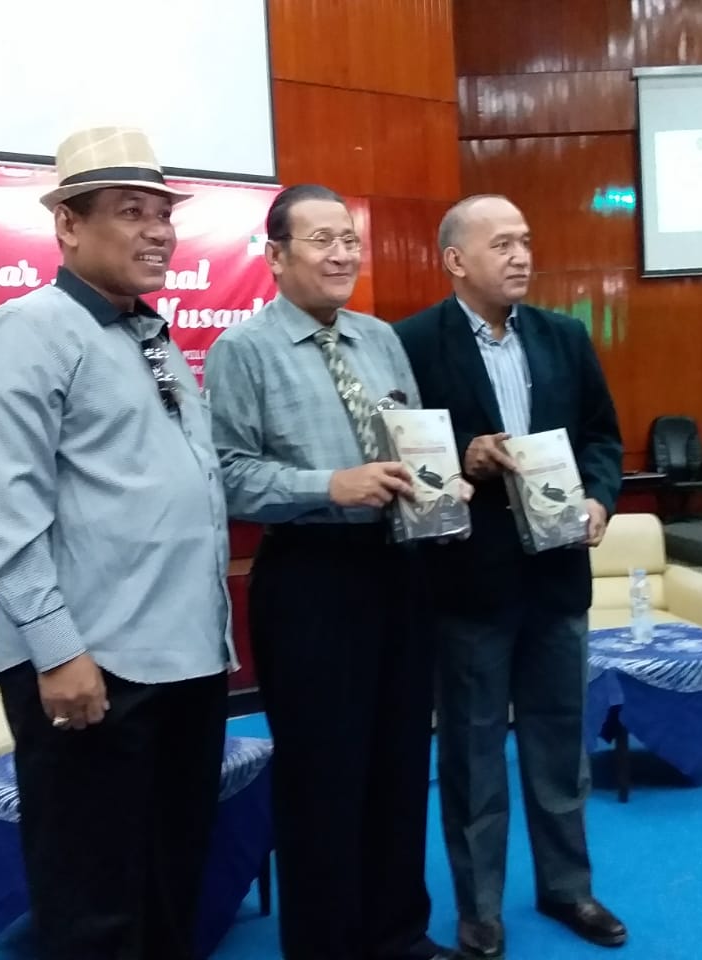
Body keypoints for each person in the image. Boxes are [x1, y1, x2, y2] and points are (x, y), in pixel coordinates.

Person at [0, 126, 233, 960]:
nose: (158, 231)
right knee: (92, 897)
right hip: (91, 665)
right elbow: (9, 517)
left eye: (163, 214)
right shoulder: (27, 329)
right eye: (129, 212)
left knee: (172, 872)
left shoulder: (149, 334)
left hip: (184, 656)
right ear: (68, 227)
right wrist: (55, 652)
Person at [205, 184, 456, 960]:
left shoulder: (381, 339)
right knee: (324, 776)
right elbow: (224, 474)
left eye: (349, 237)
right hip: (311, 580)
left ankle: (396, 932)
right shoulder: (240, 351)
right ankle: (326, 944)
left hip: (399, 571)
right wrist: (328, 485)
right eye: (321, 239)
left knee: (399, 761)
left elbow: (412, 439)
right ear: (276, 256)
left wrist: (443, 483)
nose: (343, 252)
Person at [395, 195, 627, 958]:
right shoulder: (413, 343)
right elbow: (403, 446)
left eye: (526, 241)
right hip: (469, 585)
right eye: (503, 244)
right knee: (471, 754)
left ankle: (568, 888)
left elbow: (602, 436)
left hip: (558, 579)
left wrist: (598, 498)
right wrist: (465, 454)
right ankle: (480, 910)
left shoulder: (564, 337)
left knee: (563, 744)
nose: (522, 255)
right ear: (457, 259)